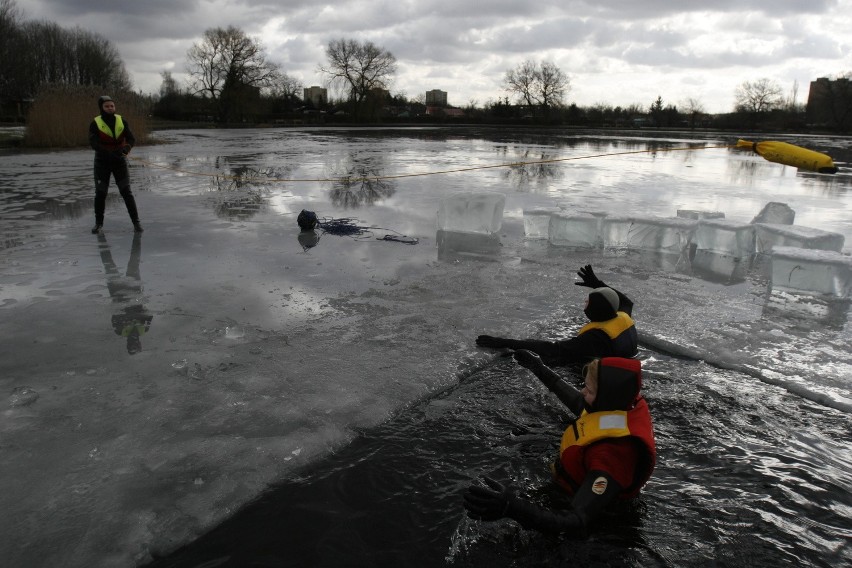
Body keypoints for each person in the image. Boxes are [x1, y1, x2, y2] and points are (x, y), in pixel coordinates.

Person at [463, 350, 656, 534]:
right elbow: (580, 403)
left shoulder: (611, 455)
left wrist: (511, 508)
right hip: (578, 487)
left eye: (588, 389)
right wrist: (538, 367)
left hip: (601, 520)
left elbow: (576, 521)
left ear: (606, 397)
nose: (582, 391)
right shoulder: (622, 401)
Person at [476, 265, 637, 367]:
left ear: (595, 310)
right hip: (626, 362)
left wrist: (506, 342)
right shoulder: (623, 316)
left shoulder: (594, 338)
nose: (584, 303)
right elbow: (626, 301)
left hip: (606, 376)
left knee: (550, 360)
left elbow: (552, 349)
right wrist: (597, 284)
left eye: (588, 302)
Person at [89, 95, 143, 234]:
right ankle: (98, 224)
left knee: (126, 192)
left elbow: (131, 138)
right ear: (101, 108)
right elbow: (93, 143)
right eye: (107, 106)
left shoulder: (121, 120)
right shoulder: (95, 123)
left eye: (112, 106)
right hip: (102, 163)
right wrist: (106, 152)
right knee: (101, 193)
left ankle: (136, 223)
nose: (110, 108)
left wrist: (126, 149)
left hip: (119, 162)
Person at [99, 232, 154, 354]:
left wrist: (124, 319)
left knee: (108, 264)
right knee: (134, 261)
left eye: (131, 344)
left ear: (127, 344)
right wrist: (140, 315)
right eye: (135, 344)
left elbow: (114, 316)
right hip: (133, 291)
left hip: (117, 292)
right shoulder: (143, 330)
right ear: (139, 343)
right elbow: (150, 315)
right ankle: (137, 237)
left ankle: (100, 238)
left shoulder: (120, 331)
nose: (133, 341)